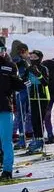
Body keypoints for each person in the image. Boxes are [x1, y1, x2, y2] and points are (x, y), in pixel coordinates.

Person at [0, 41, 26, 180]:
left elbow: (19, 85)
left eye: (2, 49)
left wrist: (24, 80)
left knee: (6, 139)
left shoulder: (10, 66)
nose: (0, 52)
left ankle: (7, 170)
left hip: (4, 107)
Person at [25, 50, 51, 154]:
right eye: (31, 57)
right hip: (33, 96)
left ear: (39, 58)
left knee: (39, 119)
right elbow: (25, 80)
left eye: (35, 57)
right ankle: (36, 139)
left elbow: (46, 83)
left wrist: (38, 74)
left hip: (43, 96)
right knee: (34, 120)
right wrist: (25, 82)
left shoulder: (44, 68)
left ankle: (40, 141)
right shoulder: (29, 69)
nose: (32, 59)